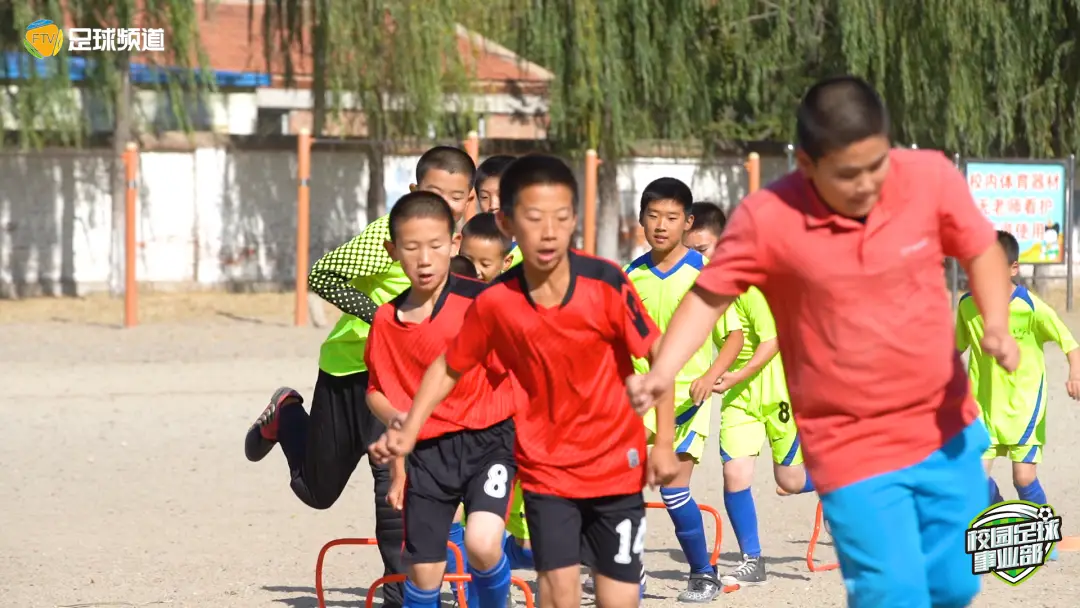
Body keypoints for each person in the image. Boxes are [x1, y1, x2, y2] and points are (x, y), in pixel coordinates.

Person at [626, 76, 1020, 608]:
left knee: (951, 585)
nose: (866, 185)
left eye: (876, 165)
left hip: (940, 421)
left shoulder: (928, 178)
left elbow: (981, 250)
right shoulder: (769, 217)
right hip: (845, 437)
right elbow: (708, 298)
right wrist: (663, 370)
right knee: (891, 591)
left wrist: (995, 318)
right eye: (847, 174)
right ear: (807, 166)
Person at [370, 154, 680, 608]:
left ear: (575, 218)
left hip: (615, 465)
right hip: (545, 468)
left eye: (560, 217)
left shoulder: (607, 283)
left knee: (618, 599)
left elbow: (660, 358)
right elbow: (448, 366)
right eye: (534, 219)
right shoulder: (496, 302)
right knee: (558, 591)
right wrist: (409, 429)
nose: (549, 231)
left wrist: (666, 441)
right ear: (507, 222)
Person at [243, 146, 477, 608]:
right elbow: (324, 276)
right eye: (433, 193)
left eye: (455, 197)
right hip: (352, 368)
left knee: (394, 473)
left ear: (469, 201)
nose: (444, 206)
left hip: (412, 381)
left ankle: (402, 593)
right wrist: (384, 320)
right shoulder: (388, 235)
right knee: (316, 491)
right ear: (413, 191)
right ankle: (287, 415)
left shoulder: (468, 243)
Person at [364, 191, 518, 608]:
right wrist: (400, 441)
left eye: (435, 246)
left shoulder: (485, 303)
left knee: (483, 543)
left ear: (454, 244)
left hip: (491, 442)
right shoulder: (385, 320)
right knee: (425, 572)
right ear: (393, 251)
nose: (425, 259)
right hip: (428, 455)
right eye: (412, 248)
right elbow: (378, 391)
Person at [682, 202, 815, 588]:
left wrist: (732, 373)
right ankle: (751, 558)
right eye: (692, 252)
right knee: (734, 474)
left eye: (704, 250)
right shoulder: (701, 287)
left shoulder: (749, 284)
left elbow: (770, 342)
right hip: (738, 397)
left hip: (779, 390)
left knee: (790, 481)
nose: (699, 260)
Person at [620, 179, 730, 602]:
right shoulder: (631, 275)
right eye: (653, 217)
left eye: (671, 218)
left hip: (687, 399)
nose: (661, 226)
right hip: (639, 398)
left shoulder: (706, 274)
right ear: (641, 221)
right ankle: (630, 571)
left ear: (687, 222)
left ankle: (703, 572)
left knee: (673, 489)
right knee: (621, 488)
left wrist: (713, 375)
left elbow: (733, 335)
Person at [956, 231, 1080, 528]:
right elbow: (954, 348)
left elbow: (1070, 343)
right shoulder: (967, 305)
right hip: (983, 408)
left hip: (1024, 408)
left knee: (1023, 476)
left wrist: (1075, 372)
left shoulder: (1031, 307)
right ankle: (1003, 518)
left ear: (1013, 268)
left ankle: (1042, 535)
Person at [474, 155, 524, 268]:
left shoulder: (535, 250)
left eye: (501, 195)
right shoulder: (470, 245)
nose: (493, 205)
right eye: (484, 197)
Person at [460, 212, 515, 283]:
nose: (476, 271)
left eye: (485, 264)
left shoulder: (510, 293)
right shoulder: (448, 290)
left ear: (506, 262)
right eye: (467, 261)